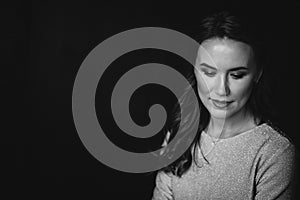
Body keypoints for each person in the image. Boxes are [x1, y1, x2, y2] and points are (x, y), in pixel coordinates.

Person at [151, 11, 295, 200]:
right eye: (209, 73)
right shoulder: (179, 133)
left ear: (257, 74)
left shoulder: (275, 153)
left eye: (236, 75)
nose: (221, 90)